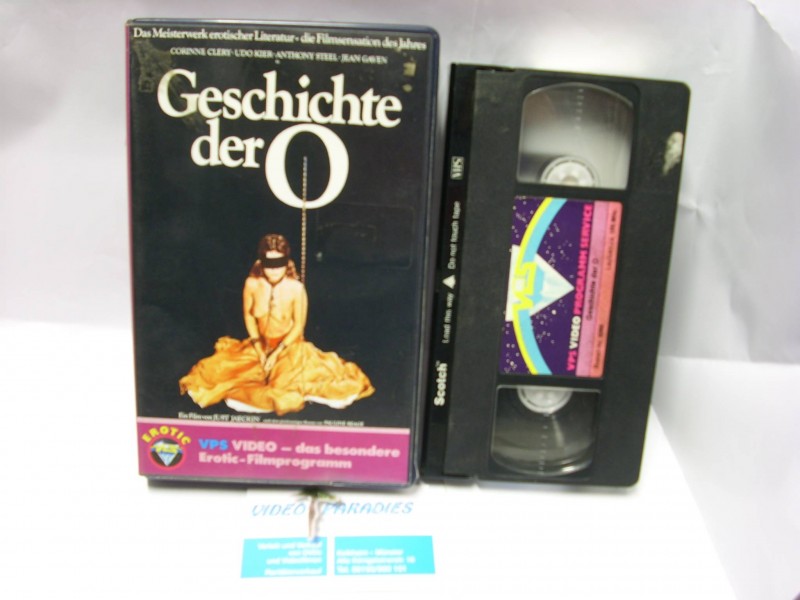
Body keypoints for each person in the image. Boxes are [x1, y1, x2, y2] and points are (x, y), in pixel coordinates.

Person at [179, 234, 374, 415]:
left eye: (278, 264)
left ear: (287, 261)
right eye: (269, 263)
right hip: (260, 344)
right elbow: (249, 317)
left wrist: (276, 353)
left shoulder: (296, 289)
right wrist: (260, 349)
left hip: (290, 348)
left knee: (282, 390)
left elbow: (298, 326)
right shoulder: (252, 284)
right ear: (261, 261)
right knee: (215, 374)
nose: (273, 270)